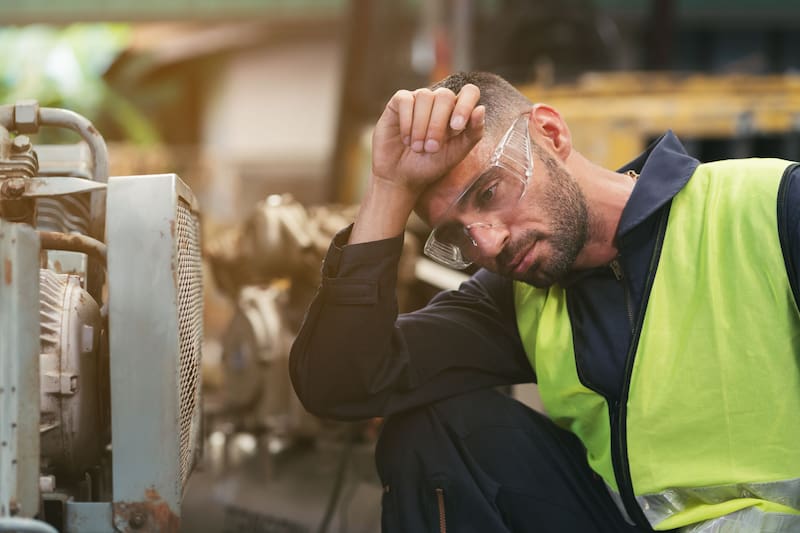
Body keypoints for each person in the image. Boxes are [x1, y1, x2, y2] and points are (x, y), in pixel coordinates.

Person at [289, 71, 800, 532]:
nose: (485, 244)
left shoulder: (773, 207)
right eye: (457, 234)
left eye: (488, 194)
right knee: (430, 428)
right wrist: (387, 190)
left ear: (551, 135)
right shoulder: (519, 297)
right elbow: (344, 383)